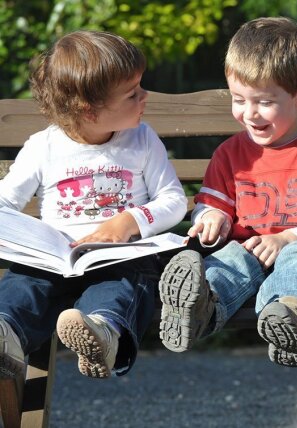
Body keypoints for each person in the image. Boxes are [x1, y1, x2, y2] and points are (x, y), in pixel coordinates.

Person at [158, 17, 297, 367]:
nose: (249, 114)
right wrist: (212, 219)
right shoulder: (230, 154)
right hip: (248, 252)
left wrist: (287, 239)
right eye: (238, 99)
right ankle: (199, 308)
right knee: (229, 261)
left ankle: (289, 317)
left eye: (264, 102)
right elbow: (209, 206)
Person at [0, 30, 187, 379]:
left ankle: (102, 334)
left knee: (120, 285)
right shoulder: (44, 147)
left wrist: (129, 222)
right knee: (22, 285)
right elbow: (5, 201)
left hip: (121, 256)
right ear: (89, 110)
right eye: (132, 94)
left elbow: (173, 200)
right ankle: (5, 333)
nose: (145, 96)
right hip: (56, 261)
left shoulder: (142, 139)